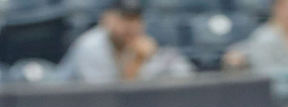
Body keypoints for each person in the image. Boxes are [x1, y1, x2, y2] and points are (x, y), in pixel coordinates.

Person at [55, 0, 193, 83]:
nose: (130, 26)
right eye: (124, 18)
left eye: (135, 19)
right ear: (107, 20)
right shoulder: (90, 46)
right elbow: (108, 98)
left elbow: (183, 75)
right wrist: (136, 62)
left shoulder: (142, 43)